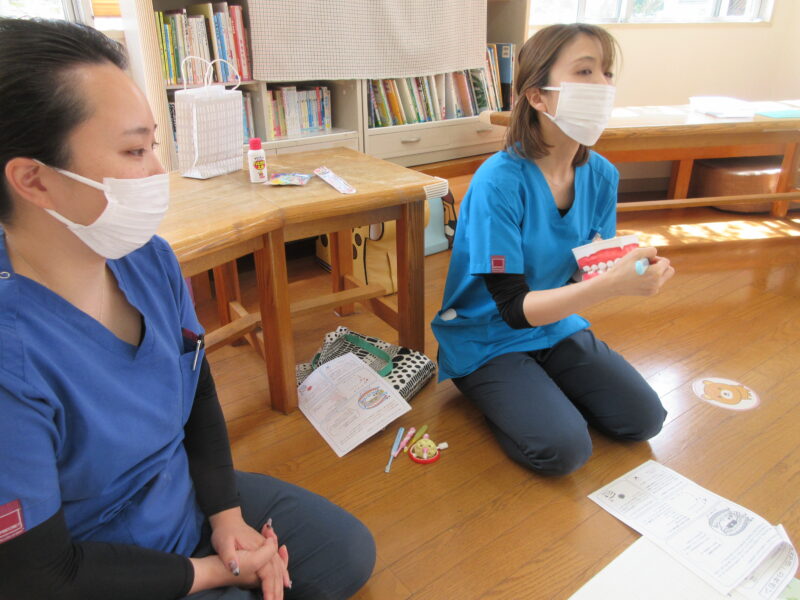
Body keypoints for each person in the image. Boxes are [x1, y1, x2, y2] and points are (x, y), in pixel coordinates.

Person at [0, 18, 374, 600]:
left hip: (181, 496)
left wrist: (227, 517)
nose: (158, 172)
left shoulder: (147, 259)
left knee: (345, 554)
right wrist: (220, 572)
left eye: (154, 144)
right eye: (134, 150)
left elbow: (197, 389)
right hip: (97, 562)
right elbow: (39, 574)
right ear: (33, 179)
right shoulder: (13, 355)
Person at [431, 24, 674, 477]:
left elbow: (586, 266)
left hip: (555, 323)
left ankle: (539, 391)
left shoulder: (602, 175)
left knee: (645, 419)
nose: (603, 85)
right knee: (563, 451)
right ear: (537, 96)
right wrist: (612, 286)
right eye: (585, 71)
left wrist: (628, 266)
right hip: (488, 335)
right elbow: (512, 309)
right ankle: (491, 387)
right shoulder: (498, 181)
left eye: (607, 72)